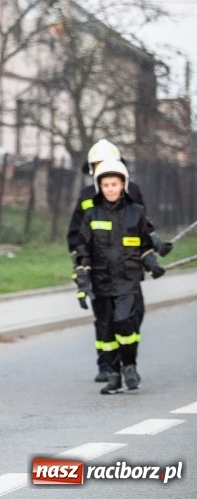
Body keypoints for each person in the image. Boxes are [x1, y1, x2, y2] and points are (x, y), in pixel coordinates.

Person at [65, 138, 172, 383]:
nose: (108, 184)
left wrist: (155, 249)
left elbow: (143, 226)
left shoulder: (131, 192)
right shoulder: (86, 197)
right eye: (98, 165)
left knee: (131, 317)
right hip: (99, 267)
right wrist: (81, 267)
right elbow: (77, 235)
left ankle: (128, 362)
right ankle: (107, 365)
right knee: (103, 320)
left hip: (127, 270)